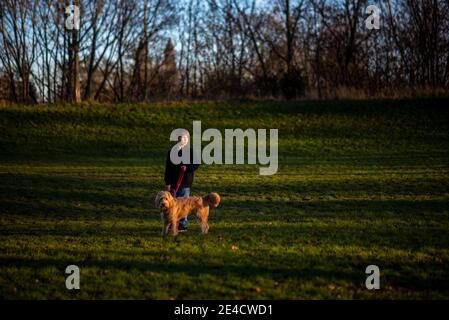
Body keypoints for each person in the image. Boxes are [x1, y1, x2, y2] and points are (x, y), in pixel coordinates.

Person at [164, 129, 200, 232]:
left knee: (184, 204)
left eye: (184, 138)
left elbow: (197, 164)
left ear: (188, 140)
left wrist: (187, 168)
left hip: (185, 182)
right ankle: (173, 222)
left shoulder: (191, 151)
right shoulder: (171, 152)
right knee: (172, 204)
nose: (182, 140)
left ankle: (182, 224)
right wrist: (167, 183)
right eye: (180, 138)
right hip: (173, 182)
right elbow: (168, 169)